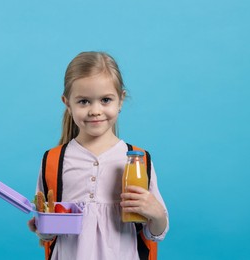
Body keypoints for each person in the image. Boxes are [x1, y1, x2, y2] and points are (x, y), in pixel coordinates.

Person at [28, 51, 169, 260]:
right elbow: (49, 234)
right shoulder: (54, 160)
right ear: (67, 103)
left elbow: (154, 233)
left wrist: (156, 214)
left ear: (120, 100)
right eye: (84, 101)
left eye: (105, 100)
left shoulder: (137, 160)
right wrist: (43, 226)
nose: (95, 110)